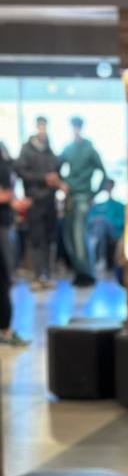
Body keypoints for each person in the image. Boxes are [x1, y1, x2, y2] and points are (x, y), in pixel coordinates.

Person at [58, 116, 105, 287]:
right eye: (73, 126)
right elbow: (56, 167)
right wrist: (62, 183)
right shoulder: (68, 149)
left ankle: (86, 273)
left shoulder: (89, 149)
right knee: (69, 237)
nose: (75, 129)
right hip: (70, 198)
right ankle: (80, 272)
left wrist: (93, 194)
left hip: (83, 197)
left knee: (79, 236)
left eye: (77, 126)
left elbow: (104, 174)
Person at [15, 116, 60, 290]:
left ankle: (46, 276)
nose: (43, 129)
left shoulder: (50, 150)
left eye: (45, 126)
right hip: (34, 202)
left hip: (50, 202)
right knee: (36, 239)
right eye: (40, 126)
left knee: (49, 240)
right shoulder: (26, 149)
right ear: (36, 127)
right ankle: (37, 276)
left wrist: (56, 180)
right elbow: (20, 171)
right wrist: (43, 178)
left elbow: (56, 170)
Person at [0, 143, 28, 348]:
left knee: (4, 278)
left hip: (4, 222)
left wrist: (12, 201)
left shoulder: (6, 165)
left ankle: (5, 329)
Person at [87, 178, 126, 277]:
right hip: (97, 230)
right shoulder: (97, 205)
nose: (107, 188)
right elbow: (89, 220)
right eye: (105, 186)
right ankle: (100, 258)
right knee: (100, 226)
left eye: (109, 186)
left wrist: (107, 221)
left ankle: (97, 257)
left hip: (113, 231)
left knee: (103, 223)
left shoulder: (118, 205)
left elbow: (122, 221)